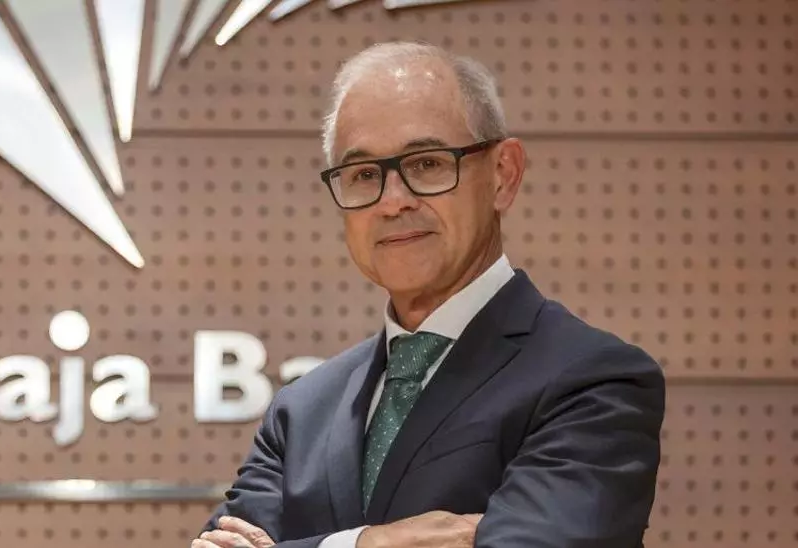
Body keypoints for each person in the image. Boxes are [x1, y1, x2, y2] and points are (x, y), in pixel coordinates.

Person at [192, 41, 665, 548]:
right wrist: (365, 544)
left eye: (427, 164)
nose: (393, 201)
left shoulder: (592, 381)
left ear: (503, 175)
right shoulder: (301, 411)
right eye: (364, 175)